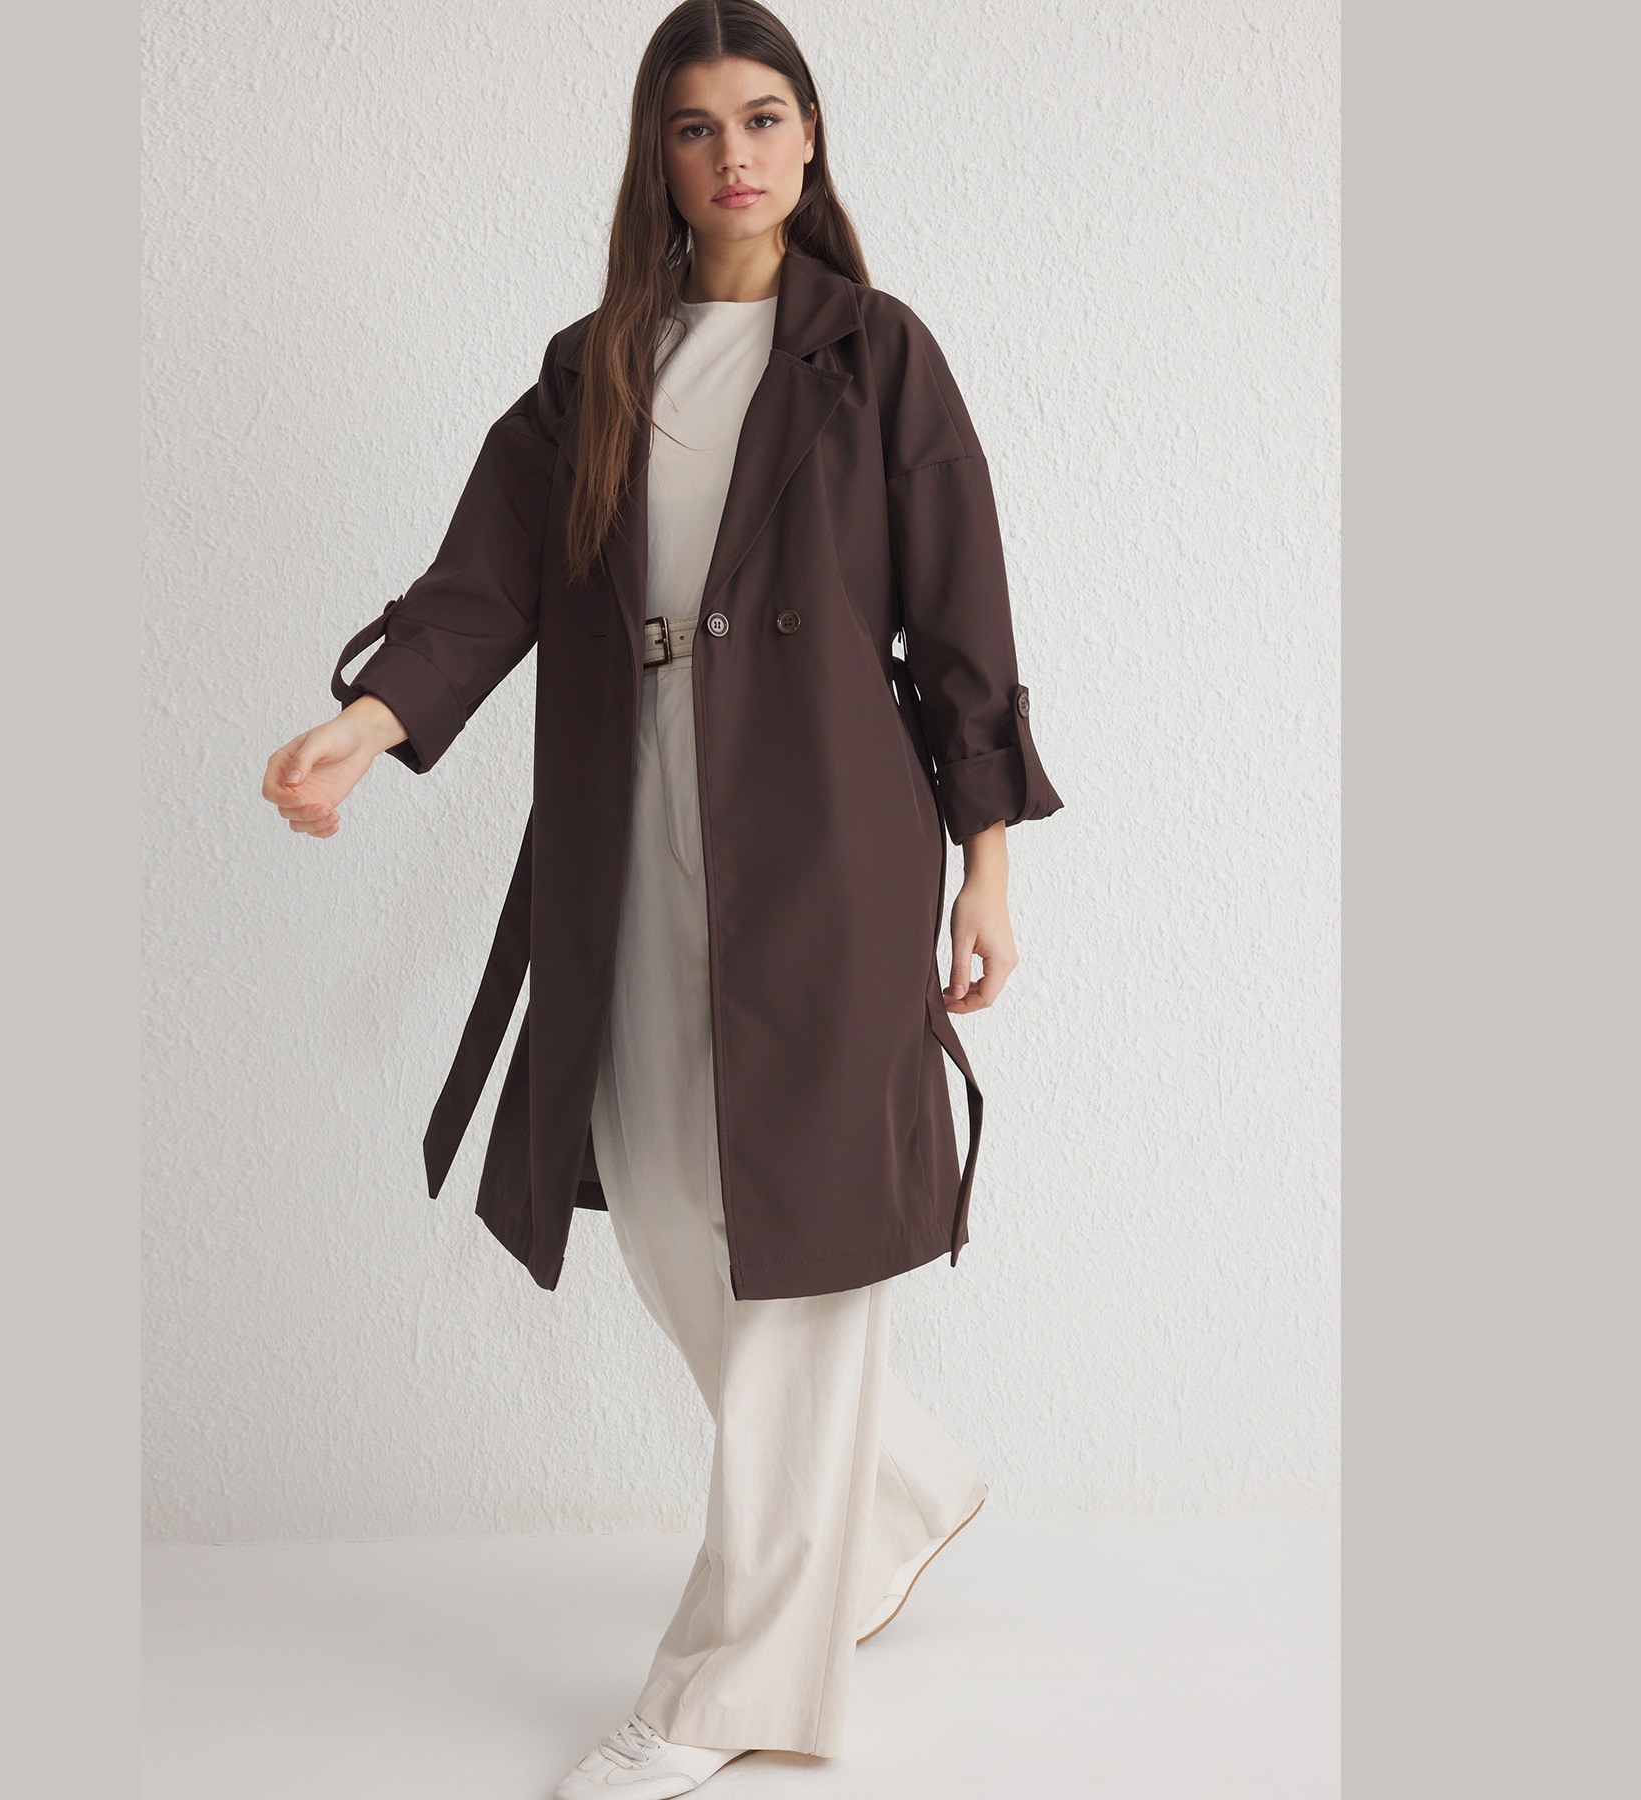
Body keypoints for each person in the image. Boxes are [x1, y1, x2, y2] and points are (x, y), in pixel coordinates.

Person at [261, 2, 1063, 1792]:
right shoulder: (593, 369)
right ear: (658, 158)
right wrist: (369, 724)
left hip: (829, 841)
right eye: (697, 128)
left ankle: (729, 1686)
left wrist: (989, 864)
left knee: (800, 1232)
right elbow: (484, 580)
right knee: (669, 1205)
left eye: (764, 117)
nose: (735, 155)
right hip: (627, 826)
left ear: (811, 133)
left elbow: (966, 620)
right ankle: (897, 1489)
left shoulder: (876, 356)